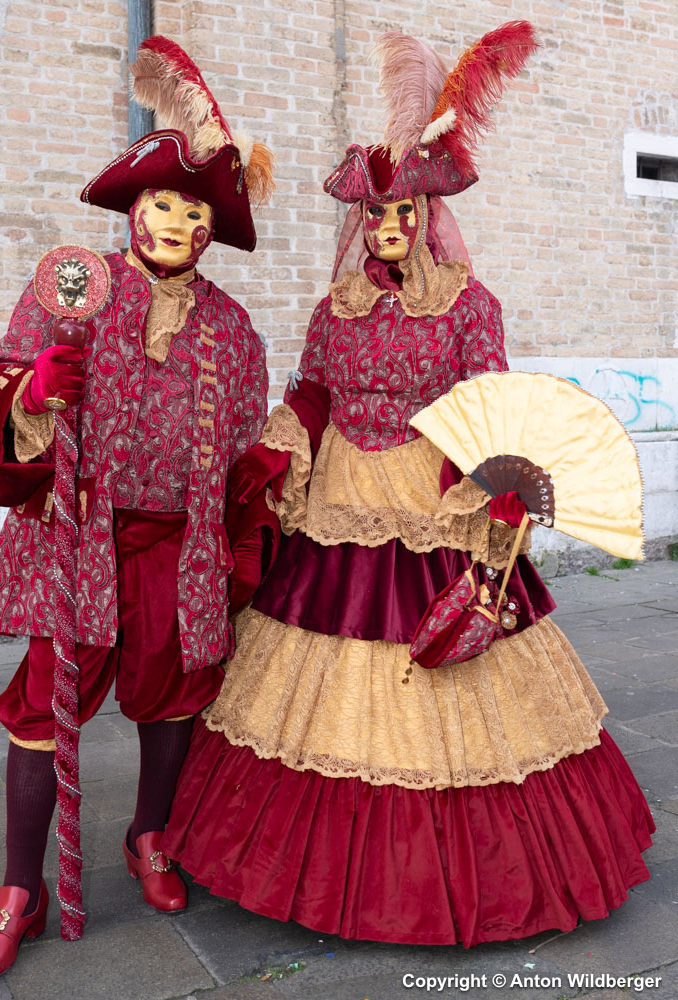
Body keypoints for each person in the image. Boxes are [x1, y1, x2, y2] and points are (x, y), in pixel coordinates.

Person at [160, 23, 655, 947]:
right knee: (318, 650)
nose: (388, 231)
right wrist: (277, 448)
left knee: (445, 650)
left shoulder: (470, 304)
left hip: (434, 501)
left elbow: (489, 401)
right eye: (375, 218)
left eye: (403, 217)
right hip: (343, 496)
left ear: (427, 218)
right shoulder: (334, 307)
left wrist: (501, 484)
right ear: (363, 224)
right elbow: (312, 388)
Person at [0, 37, 276, 984]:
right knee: (41, 704)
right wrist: (34, 386)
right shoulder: (72, 290)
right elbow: (3, 376)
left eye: (195, 209)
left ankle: (150, 835)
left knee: (173, 697)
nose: (178, 220)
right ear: (134, 207)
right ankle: (20, 888)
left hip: (181, 550)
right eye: (164, 201)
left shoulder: (232, 327)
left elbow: (243, 450)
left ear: (211, 229)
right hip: (79, 544)